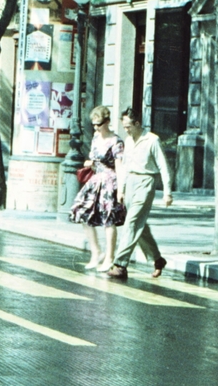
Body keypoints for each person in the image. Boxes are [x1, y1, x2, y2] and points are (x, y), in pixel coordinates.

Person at [109, 107, 173, 280]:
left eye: (128, 126)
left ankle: (120, 264)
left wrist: (167, 192)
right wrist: (121, 189)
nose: (126, 130)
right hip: (130, 182)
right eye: (124, 126)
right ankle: (158, 259)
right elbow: (125, 167)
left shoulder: (152, 140)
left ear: (137, 123)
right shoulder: (128, 141)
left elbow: (163, 167)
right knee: (140, 226)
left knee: (131, 223)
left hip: (146, 182)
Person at [67, 106, 126, 271]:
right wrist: (89, 163)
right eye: (94, 124)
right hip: (96, 179)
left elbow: (120, 167)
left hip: (110, 181)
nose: (96, 128)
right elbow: (92, 159)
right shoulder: (95, 138)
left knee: (109, 218)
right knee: (81, 211)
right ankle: (96, 251)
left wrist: (121, 189)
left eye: (98, 124)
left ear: (107, 121)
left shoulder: (116, 141)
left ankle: (109, 257)